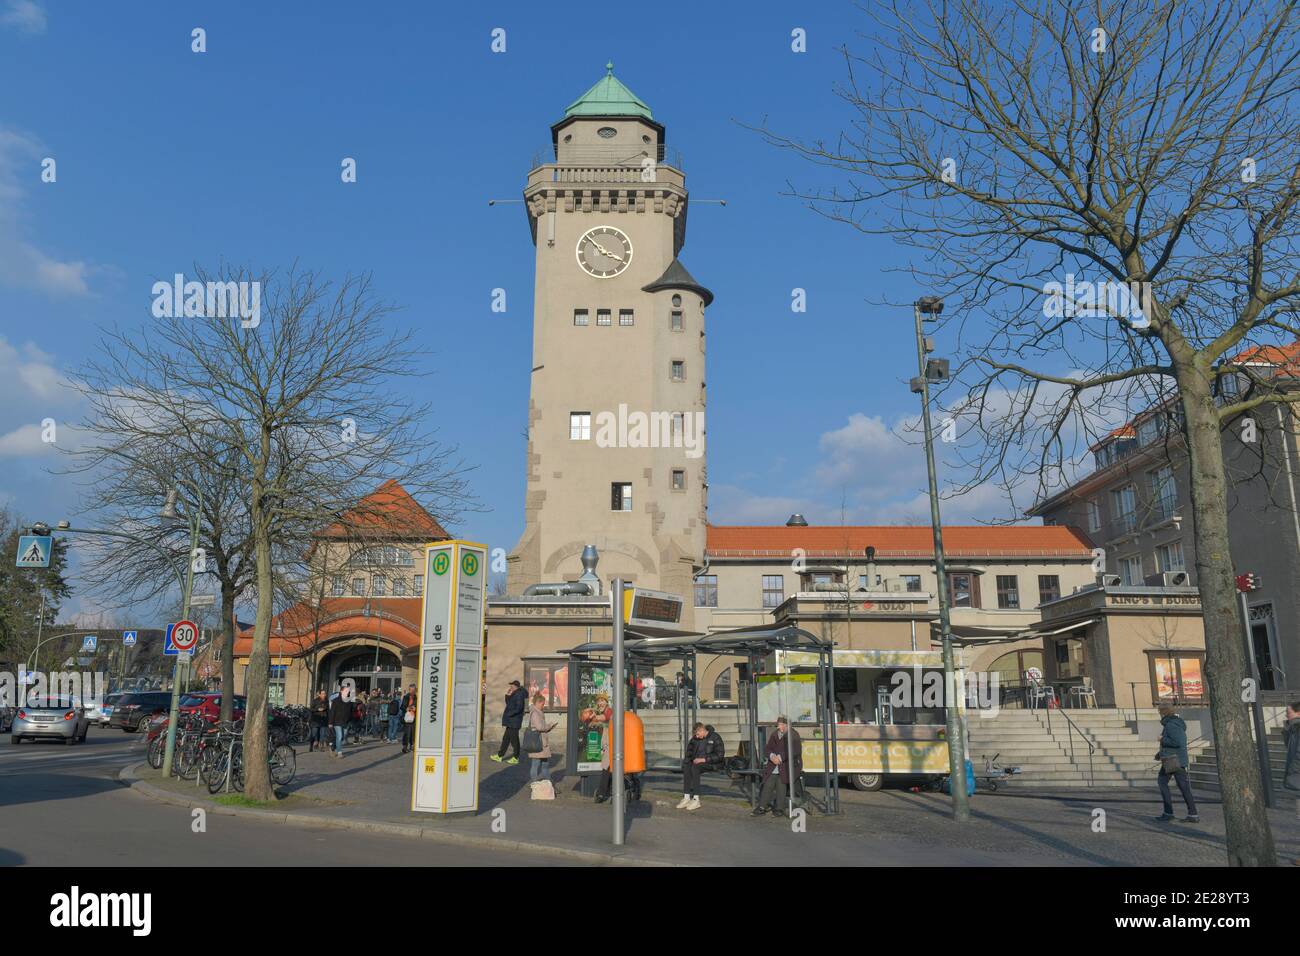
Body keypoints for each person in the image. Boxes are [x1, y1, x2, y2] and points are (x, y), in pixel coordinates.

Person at [1154, 701, 1198, 823]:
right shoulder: (1173, 723)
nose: (1159, 714)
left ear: (1163, 712)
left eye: (1159, 711)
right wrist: (1159, 754)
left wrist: (1163, 739)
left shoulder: (1171, 725)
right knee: (1183, 786)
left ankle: (1169, 813)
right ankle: (1192, 813)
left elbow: (1179, 742)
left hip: (1173, 760)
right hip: (1173, 759)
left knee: (1163, 782)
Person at [752, 716, 802, 817]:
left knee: (781, 783)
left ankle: (779, 808)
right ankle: (762, 806)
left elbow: (794, 751)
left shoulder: (793, 735)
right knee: (768, 783)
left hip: (788, 765)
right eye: (778, 724)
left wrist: (780, 757)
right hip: (774, 764)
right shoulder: (775, 734)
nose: (779, 727)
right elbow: (767, 748)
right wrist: (771, 756)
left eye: (781, 725)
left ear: (787, 725)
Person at [677, 723, 722, 810]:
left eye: (697, 734)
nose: (696, 736)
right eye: (695, 735)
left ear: (702, 730)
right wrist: (686, 762)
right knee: (687, 767)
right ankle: (686, 797)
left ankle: (696, 799)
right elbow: (689, 752)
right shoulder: (695, 739)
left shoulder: (715, 737)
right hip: (697, 762)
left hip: (711, 762)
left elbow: (720, 755)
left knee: (695, 767)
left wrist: (704, 760)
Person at [490, 680, 528, 765]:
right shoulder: (515, 693)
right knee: (506, 739)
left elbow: (519, 708)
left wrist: (510, 714)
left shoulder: (519, 694)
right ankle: (499, 756)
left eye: (511, 686)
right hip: (511, 721)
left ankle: (515, 757)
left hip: (514, 721)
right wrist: (507, 695)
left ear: (516, 686)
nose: (510, 687)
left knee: (514, 740)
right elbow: (509, 704)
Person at [525, 693, 557, 783]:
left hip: (541, 743)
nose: (543, 706)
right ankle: (534, 783)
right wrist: (549, 726)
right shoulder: (535, 713)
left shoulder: (538, 712)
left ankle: (549, 783)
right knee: (536, 764)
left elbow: (540, 727)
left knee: (545, 764)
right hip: (538, 743)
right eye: (543, 704)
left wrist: (549, 727)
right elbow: (539, 727)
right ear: (538, 703)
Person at [328, 684, 353, 759]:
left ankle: (333, 747)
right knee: (339, 736)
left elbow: (350, 712)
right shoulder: (336, 701)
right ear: (341, 691)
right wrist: (330, 722)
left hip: (345, 722)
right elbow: (332, 712)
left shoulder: (349, 701)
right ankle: (339, 753)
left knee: (342, 737)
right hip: (337, 721)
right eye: (346, 691)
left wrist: (350, 720)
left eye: (348, 691)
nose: (347, 692)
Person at [308, 689, 329, 753]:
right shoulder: (315, 701)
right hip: (315, 720)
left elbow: (329, 709)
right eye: (323, 694)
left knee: (322, 735)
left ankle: (321, 747)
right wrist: (317, 709)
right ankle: (311, 745)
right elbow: (311, 709)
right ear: (319, 694)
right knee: (314, 734)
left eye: (325, 694)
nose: (324, 695)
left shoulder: (327, 701)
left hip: (324, 720)